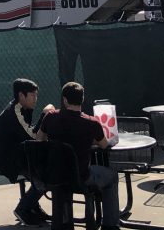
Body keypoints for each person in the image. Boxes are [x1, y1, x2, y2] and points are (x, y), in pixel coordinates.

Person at [35, 81, 121, 230]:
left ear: (64, 100)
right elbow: (104, 145)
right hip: (81, 177)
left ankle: (64, 222)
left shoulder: (50, 117)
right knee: (112, 176)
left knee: (64, 184)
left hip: (54, 174)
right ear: (82, 99)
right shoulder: (91, 123)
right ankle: (110, 224)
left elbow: (39, 139)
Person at [0, 78, 51, 225]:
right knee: (43, 176)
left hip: (19, 153)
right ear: (21, 96)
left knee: (45, 168)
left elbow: (30, 135)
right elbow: (32, 137)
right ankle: (23, 209)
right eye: (32, 95)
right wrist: (44, 116)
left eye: (36, 95)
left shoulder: (24, 109)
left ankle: (32, 206)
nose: (35, 99)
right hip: (8, 160)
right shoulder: (14, 112)